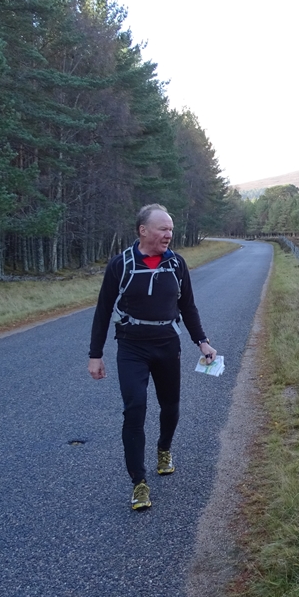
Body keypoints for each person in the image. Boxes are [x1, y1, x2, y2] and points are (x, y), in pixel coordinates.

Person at [88, 204, 217, 510]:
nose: (169, 234)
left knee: (170, 406)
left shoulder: (176, 264)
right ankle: (139, 483)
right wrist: (95, 355)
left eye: (170, 229)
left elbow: (188, 306)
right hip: (131, 347)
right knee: (135, 408)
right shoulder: (120, 264)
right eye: (163, 228)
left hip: (167, 344)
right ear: (143, 230)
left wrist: (202, 342)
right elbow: (103, 310)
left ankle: (164, 449)